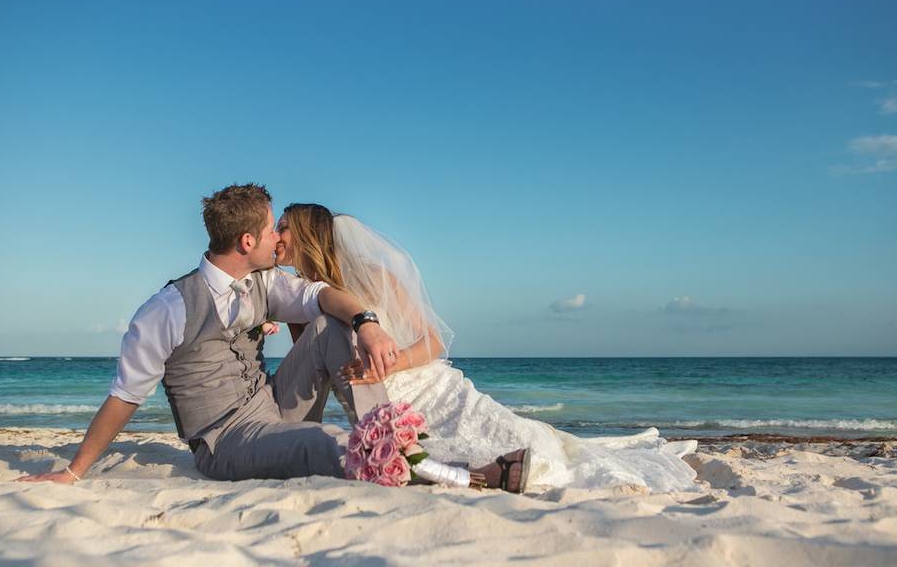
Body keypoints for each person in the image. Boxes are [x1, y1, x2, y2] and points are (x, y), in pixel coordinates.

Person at [18, 184, 528, 492]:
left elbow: (325, 297)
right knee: (322, 441)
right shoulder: (167, 309)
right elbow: (125, 395)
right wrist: (76, 471)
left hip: (272, 406)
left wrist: (369, 323)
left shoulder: (266, 281)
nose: (277, 240)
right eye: (270, 231)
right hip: (225, 439)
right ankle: (467, 476)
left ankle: (389, 437)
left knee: (334, 323)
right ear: (246, 241)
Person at [272, 203, 699, 492]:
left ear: (307, 233)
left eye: (283, 227)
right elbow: (316, 372)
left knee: (524, 442)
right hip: (376, 400)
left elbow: (433, 341)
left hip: (428, 385)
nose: (277, 235)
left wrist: (395, 362)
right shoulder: (299, 302)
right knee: (427, 454)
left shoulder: (370, 274)